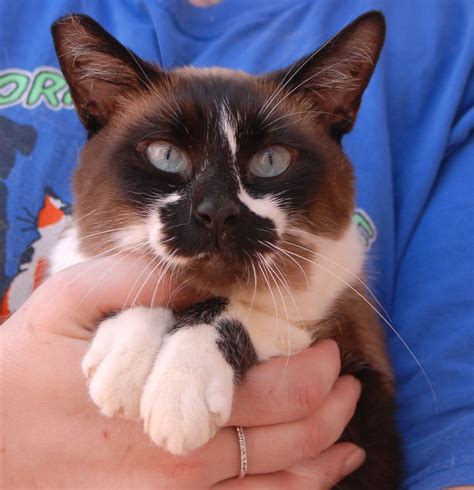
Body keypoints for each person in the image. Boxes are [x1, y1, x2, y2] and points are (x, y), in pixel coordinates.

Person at [0, 0, 472, 488]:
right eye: (166, 157)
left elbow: (456, 436)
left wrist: (223, 336)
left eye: (270, 162)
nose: (218, 209)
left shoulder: (451, 39)